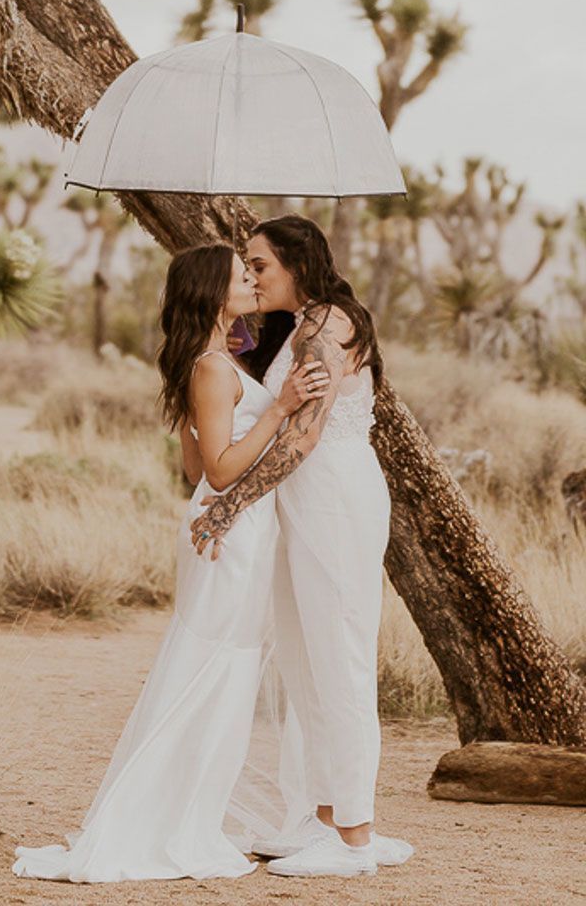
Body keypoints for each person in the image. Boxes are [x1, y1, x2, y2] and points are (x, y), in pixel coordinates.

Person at [11, 242, 329, 883]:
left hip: (235, 525)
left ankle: (186, 815)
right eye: (242, 276)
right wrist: (281, 408)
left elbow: (194, 465)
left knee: (219, 671)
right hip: (228, 532)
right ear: (216, 293)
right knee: (215, 671)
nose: (251, 281)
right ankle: (168, 823)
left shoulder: (215, 361)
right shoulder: (213, 369)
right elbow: (215, 469)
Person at [190, 215, 414, 878]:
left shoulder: (330, 325)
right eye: (248, 267)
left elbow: (304, 436)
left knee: (338, 656)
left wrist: (229, 504)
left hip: (336, 498)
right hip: (302, 502)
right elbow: (228, 365)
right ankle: (325, 818)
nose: (253, 277)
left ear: (298, 262)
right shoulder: (297, 326)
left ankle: (354, 838)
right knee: (305, 657)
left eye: (260, 265)